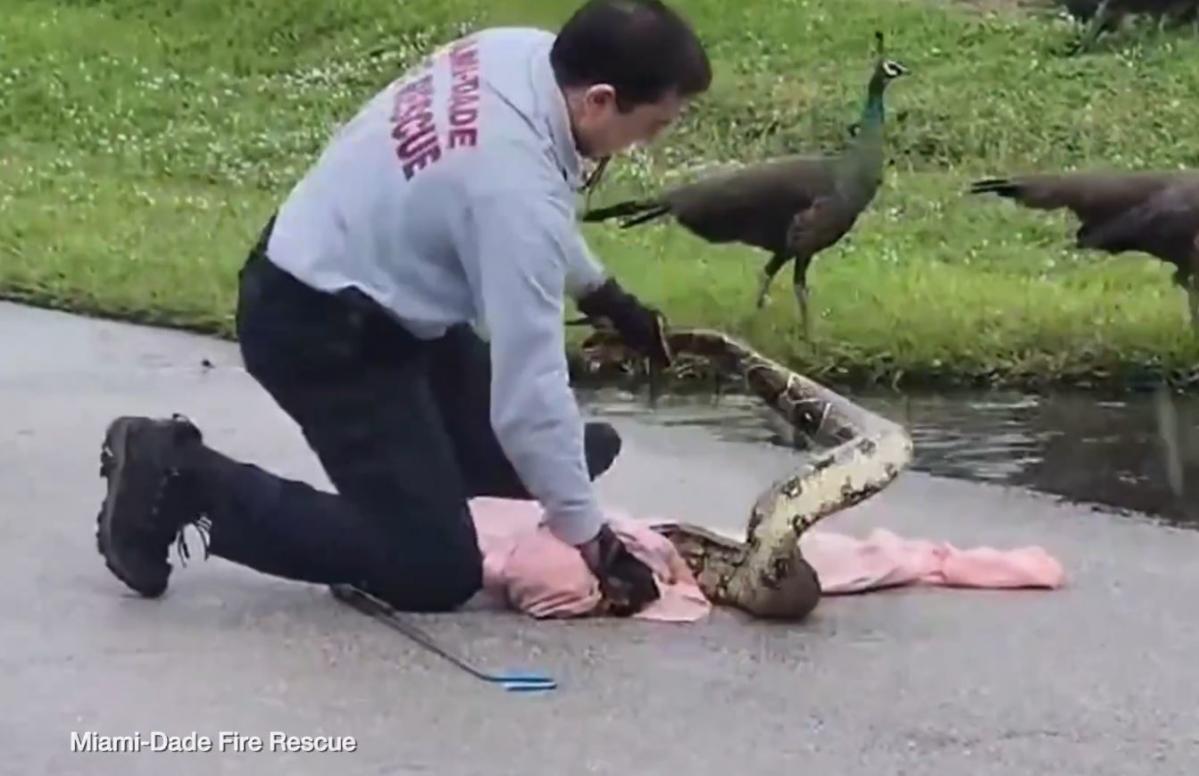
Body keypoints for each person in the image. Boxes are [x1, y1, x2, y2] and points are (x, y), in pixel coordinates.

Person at [94, 0, 712, 616]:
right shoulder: (513, 189)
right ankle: (179, 476)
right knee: (432, 567)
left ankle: (509, 470)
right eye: (654, 126)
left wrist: (603, 295)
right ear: (599, 100)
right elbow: (529, 393)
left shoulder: (517, 53)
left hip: (357, 276)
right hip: (323, 332)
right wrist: (593, 541)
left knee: (537, 467)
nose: (647, 144)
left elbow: (525, 202)